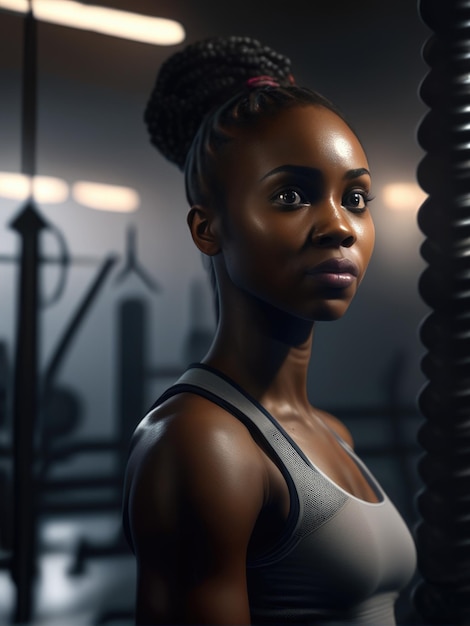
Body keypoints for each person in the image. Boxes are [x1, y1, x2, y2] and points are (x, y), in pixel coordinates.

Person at [122, 36, 417, 625]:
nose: (340, 227)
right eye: (291, 195)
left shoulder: (332, 435)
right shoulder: (204, 445)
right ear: (208, 229)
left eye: (355, 197)